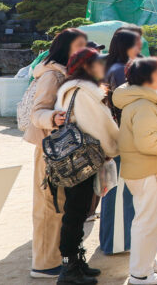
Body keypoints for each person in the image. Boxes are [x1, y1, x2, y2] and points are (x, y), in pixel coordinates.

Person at [25, 28, 87, 280]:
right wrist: (53, 117)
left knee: (59, 203)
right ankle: (44, 263)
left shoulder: (65, 73)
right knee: (48, 204)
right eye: (79, 45)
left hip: (61, 148)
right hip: (49, 148)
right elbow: (37, 112)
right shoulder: (52, 75)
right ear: (66, 48)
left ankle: (56, 259)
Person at [54, 48, 120, 284]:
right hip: (84, 159)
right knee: (76, 212)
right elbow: (99, 127)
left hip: (71, 158)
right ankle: (69, 269)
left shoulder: (69, 89)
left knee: (77, 211)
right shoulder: (85, 92)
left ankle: (75, 262)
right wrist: (113, 149)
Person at [112, 58, 157, 285]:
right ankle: (140, 273)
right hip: (149, 171)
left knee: (146, 220)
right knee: (146, 222)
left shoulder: (142, 101)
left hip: (143, 170)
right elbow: (148, 143)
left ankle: (147, 262)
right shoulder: (145, 105)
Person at [99, 27, 143, 256]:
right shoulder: (121, 70)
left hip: (116, 137)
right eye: (137, 42)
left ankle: (115, 239)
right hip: (123, 139)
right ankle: (118, 243)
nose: (140, 46)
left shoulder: (112, 67)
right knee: (120, 191)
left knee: (117, 190)